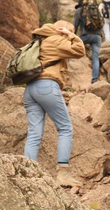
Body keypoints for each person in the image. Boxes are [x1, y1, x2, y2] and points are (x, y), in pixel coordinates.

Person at [23, 20, 85, 187]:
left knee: (34, 134)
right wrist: (70, 35)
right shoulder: (56, 40)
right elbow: (80, 51)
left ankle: (28, 175)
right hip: (46, 86)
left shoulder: (40, 39)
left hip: (30, 89)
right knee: (65, 128)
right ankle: (63, 174)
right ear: (62, 30)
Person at [74, 0, 102, 83]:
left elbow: (75, 25)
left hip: (85, 36)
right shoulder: (96, 10)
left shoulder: (79, 10)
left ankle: (65, 68)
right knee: (95, 58)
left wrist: (72, 37)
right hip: (97, 36)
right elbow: (102, 23)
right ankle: (94, 79)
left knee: (70, 47)